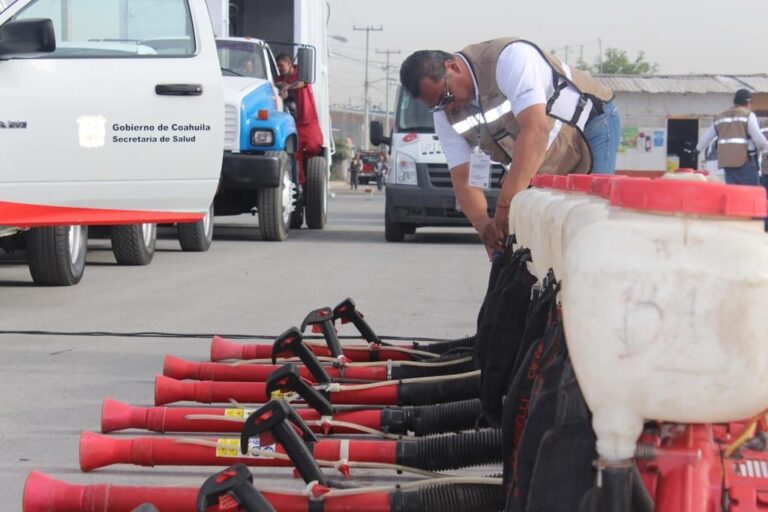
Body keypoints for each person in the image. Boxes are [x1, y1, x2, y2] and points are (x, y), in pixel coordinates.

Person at [399, 38, 621, 257]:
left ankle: (595, 281)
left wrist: (505, 205)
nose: (447, 107)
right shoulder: (444, 113)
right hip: (539, 153)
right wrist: (484, 226)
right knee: (509, 242)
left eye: (445, 97)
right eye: (436, 105)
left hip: (589, 126)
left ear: (452, 67)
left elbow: (536, 131)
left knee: (588, 224)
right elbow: (462, 177)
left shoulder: (510, 59)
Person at [696, 88, 768, 186]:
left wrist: (697, 150)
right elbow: (758, 138)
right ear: (748, 102)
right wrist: (766, 149)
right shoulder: (748, 116)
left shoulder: (720, 117)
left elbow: (707, 136)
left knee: (733, 192)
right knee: (750, 194)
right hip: (746, 162)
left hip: (727, 163)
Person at [274, 53, 323, 188]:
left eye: (281, 65)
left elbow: (303, 82)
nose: (279, 68)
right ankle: (300, 185)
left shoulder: (301, 74)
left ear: (289, 63)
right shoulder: (279, 79)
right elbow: (275, 85)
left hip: (307, 120)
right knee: (296, 155)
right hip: (292, 123)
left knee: (315, 145)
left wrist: (287, 87)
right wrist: (280, 88)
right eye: (277, 66)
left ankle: (310, 169)